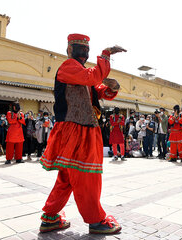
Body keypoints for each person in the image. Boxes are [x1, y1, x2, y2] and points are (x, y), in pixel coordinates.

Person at [39, 34, 125, 234]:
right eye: (82, 50)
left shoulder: (81, 72)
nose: (84, 54)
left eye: (85, 51)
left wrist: (112, 87)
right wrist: (106, 54)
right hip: (78, 129)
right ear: (70, 50)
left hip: (79, 128)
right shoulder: (69, 67)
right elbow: (93, 78)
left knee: (67, 177)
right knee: (87, 175)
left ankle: (50, 217)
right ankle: (96, 221)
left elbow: (98, 90)